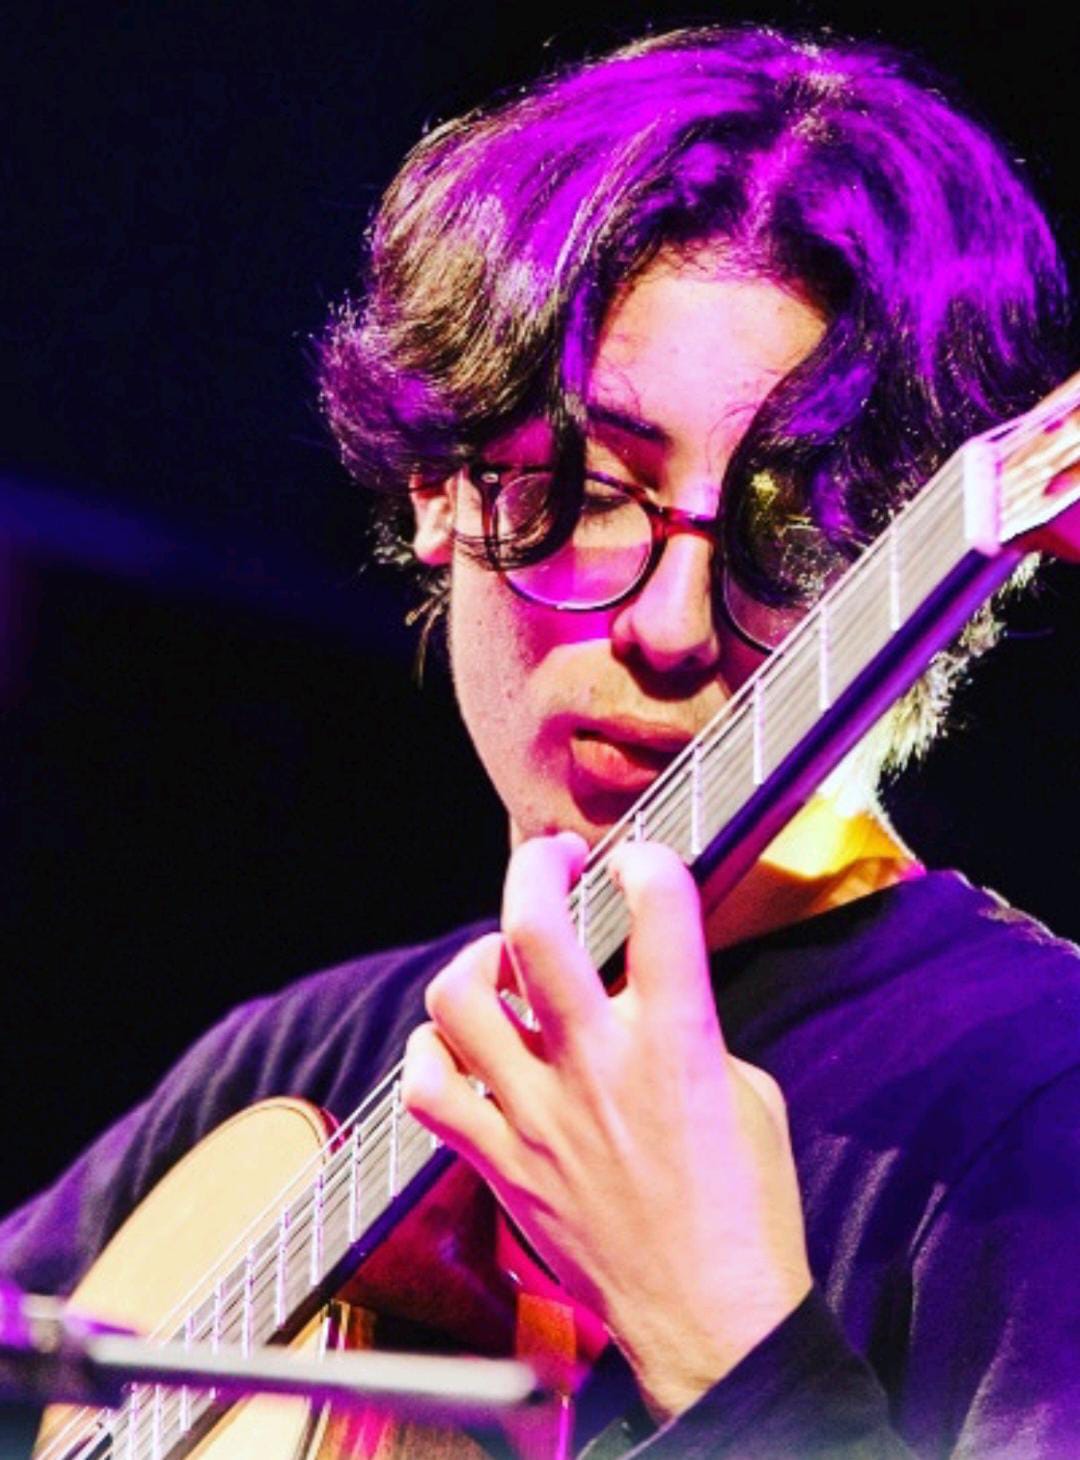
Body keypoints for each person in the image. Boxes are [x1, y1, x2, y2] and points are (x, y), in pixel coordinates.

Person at [2, 23, 1078, 1458]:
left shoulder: (1041, 1104)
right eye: (591, 487)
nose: (674, 624)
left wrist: (731, 1347)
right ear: (438, 486)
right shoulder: (295, 1065)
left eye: (790, 529)